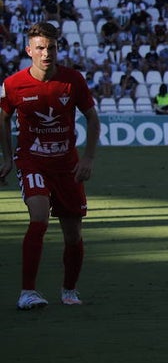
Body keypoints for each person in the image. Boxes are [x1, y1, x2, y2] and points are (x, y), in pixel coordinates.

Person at [1, 21, 101, 310]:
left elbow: (92, 119)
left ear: (58, 49)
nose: (47, 53)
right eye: (41, 48)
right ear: (28, 49)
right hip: (32, 162)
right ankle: (27, 292)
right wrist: (8, 157)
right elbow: (2, 118)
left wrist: (89, 158)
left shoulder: (73, 80)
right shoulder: (13, 84)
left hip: (67, 165)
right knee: (40, 218)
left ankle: (69, 289)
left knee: (73, 234)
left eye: (52, 47)